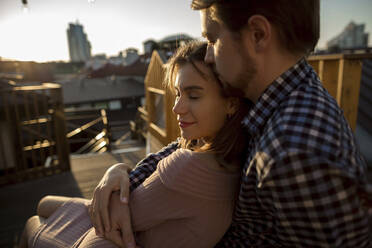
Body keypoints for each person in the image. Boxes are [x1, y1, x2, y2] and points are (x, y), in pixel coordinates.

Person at [89, 0, 372, 247]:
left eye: (213, 40)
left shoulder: (292, 150)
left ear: (258, 35)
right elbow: (182, 145)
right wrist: (121, 171)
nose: (209, 55)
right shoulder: (271, 97)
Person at [19, 41, 252, 248]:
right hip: (127, 227)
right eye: (178, 94)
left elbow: (113, 215)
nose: (176, 107)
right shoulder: (231, 158)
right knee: (45, 203)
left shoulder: (189, 166)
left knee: (33, 222)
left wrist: (115, 182)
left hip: (104, 238)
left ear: (231, 104)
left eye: (193, 96)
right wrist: (117, 169)